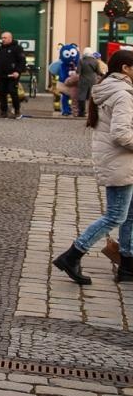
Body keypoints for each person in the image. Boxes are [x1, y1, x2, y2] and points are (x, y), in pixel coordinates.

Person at [54, 48, 133, 285]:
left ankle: (128, 265)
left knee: (129, 216)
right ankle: (72, 255)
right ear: (126, 69)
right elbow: (121, 133)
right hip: (119, 161)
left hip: (119, 160)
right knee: (115, 216)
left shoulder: (113, 89)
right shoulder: (123, 94)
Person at [77, 50, 102, 120]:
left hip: (83, 80)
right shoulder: (95, 61)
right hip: (92, 80)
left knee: (82, 96)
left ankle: (81, 112)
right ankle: (92, 113)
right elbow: (98, 72)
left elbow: (78, 71)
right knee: (91, 97)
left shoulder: (81, 61)